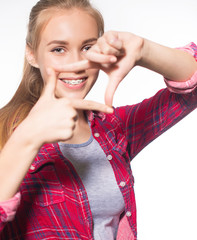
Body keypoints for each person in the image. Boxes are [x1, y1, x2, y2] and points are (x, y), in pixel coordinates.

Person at [0, 0, 196, 239]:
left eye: (87, 47)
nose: (76, 64)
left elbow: (189, 95)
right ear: (31, 54)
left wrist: (144, 50)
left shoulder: (113, 128)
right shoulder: (7, 133)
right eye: (59, 49)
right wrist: (26, 139)